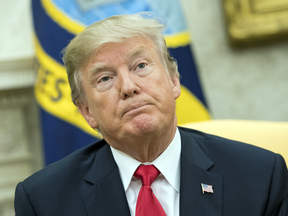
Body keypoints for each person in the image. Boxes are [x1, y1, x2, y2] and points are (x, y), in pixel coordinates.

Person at [15, 13, 288, 216]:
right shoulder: (43, 201)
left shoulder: (261, 176)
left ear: (174, 81)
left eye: (141, 65)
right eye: (105, 78)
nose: (128, 87)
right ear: (87, 111)